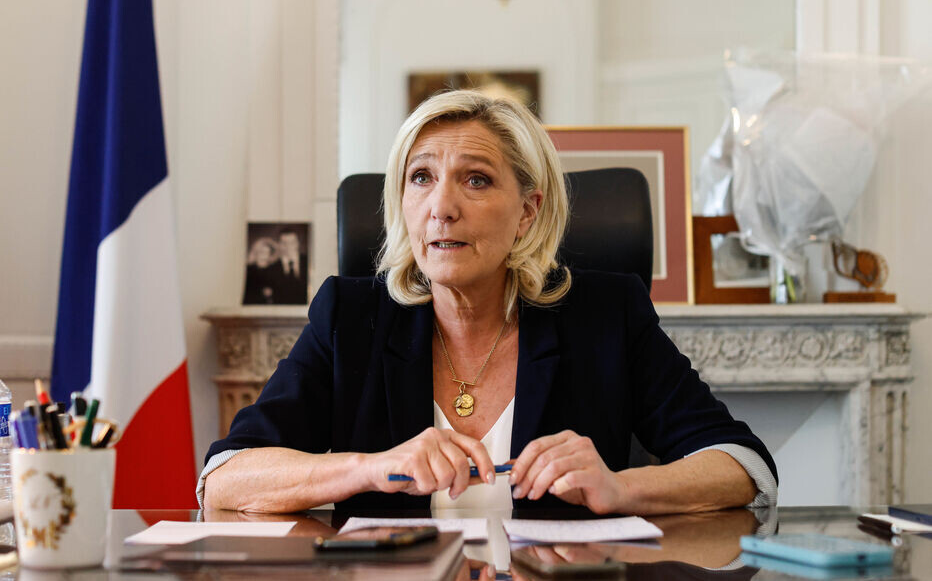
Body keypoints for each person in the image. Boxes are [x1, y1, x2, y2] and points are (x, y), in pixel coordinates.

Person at [200, 90, 777, 515]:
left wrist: (622, 487)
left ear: (528, 210)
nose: (441, 206)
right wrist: (370, 467)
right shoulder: (350, 317)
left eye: (475, 180)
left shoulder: (605, 315)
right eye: (420, 178)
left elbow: (744, 466)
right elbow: (224, 478)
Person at [267, 228, 308, 304]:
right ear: (279, 245)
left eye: (292, 242)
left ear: (298, 243)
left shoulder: (309, 262)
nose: (288, 246)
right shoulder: (271, 269)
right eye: (284, 243)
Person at [242, 237, 279, 304]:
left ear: (271, 254)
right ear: (255, 252)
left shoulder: (275, 270)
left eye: (267, 252)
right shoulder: (247, 270)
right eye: (261, 252)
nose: (264, 255)